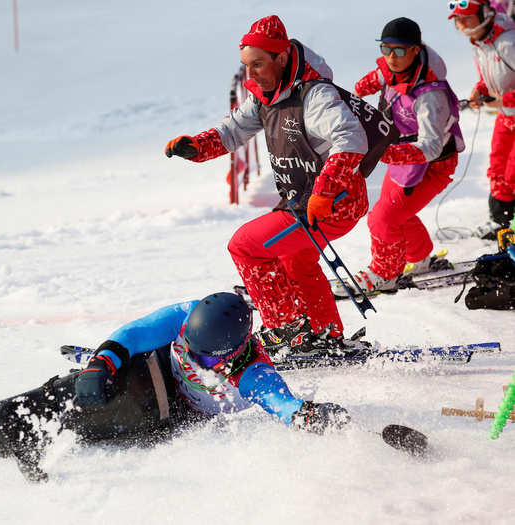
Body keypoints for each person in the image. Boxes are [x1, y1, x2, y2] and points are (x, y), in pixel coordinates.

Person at [164, 15, 396, 357]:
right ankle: (324, 335)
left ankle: (289, 334)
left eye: (258, 64)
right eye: (246, 65)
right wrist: (197, 147)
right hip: (305, 202)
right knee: (296, 261)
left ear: (282, 57)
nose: (251, 74)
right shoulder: (265, 96)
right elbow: (232, 132)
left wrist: (325, 191)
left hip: (331, 202)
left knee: (245, 246)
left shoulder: (315, 94)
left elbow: (351, 140)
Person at [0, 292, 350, 481]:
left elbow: (281, 403)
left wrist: (308, 416)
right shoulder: (187, 314)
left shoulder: (254, 373)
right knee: (107, 380)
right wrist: (101, 364)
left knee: (127, 408)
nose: (195, 361)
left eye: (205, 360)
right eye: (189, 349)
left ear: (234, 352)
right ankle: (23, 412)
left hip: (174, 411)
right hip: (156, 367)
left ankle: (64, 424)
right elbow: (134, 333)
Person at [332, 18, 465, 297]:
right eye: (385, 49)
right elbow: (367, 83)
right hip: (404, 159)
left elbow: (431, 148)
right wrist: (352, 97)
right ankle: (420, 258)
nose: (391, 57)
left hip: (433, 165)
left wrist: (385, 152)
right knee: (393, 211)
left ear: (416, 50)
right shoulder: (394, 68)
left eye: (400, 50)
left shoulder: (431, 96)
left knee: (382, 217)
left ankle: (385, 273)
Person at [450, 0, 515, 239]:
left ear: (485, 14)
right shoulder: (480, 44)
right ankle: (502, 223)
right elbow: (491, 78)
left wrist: (504, 100)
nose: (461, 24)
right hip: (506, 119)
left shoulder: (509, 42)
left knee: (512, 175)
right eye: (458, 19)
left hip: (509, 111)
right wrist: (480, 90)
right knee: (497, 173)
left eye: (467, 17)